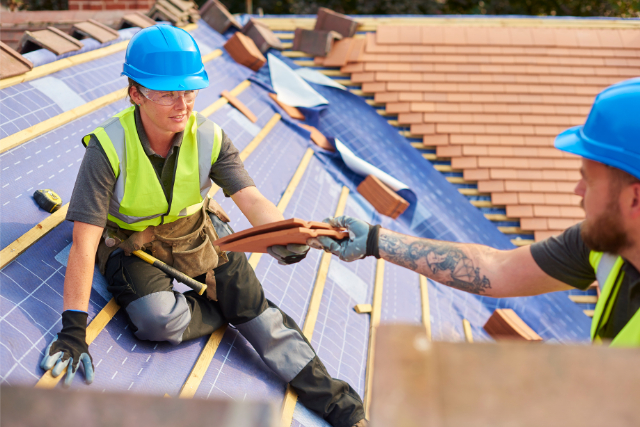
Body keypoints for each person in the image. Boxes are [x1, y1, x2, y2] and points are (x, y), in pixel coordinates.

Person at [39, 25, 366, 427]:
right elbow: (83, 244)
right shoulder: (108, 148)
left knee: (265, 324)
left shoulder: (210, 137)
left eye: (189, 91)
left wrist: (285, 233)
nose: (182, 105)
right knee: (157, 320)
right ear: (136, 93)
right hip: (132, 245)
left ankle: (344, 410)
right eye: (167, 94)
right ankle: (228, 309)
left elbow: (251, 199)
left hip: (197, 235)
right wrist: (74, 329)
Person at [310, 77, 640, 347]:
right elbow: (497, 269)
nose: (577, 193)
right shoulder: (604, 243)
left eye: (589, 182)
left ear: (634, 198)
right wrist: (374, 241)